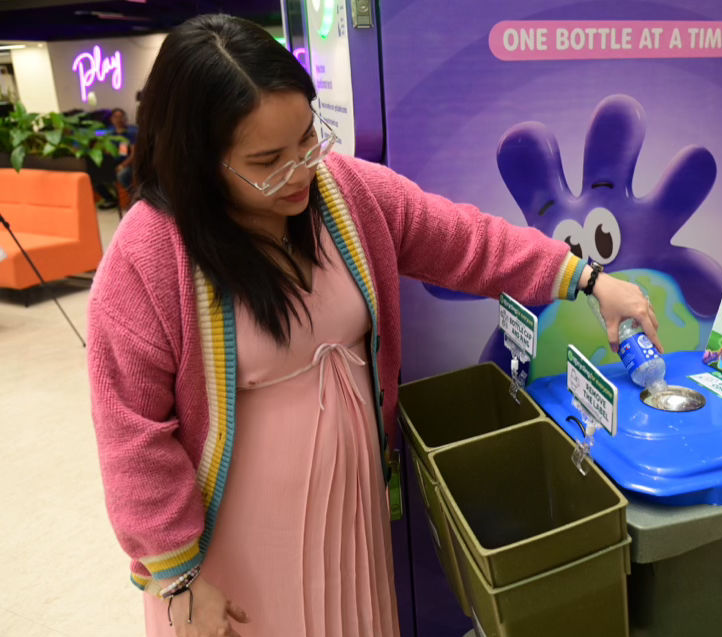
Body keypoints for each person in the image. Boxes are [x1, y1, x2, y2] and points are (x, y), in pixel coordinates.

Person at [86, 14, 662, 637]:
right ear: (199, 160)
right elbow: (131, 431)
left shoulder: (345, 195)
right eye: (267, 161)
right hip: (234, 543)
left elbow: (466, 241)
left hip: (352, 516)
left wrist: (588, 278)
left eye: (308, 139)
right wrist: (178, 576)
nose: (301, 171)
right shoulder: (149, 255)